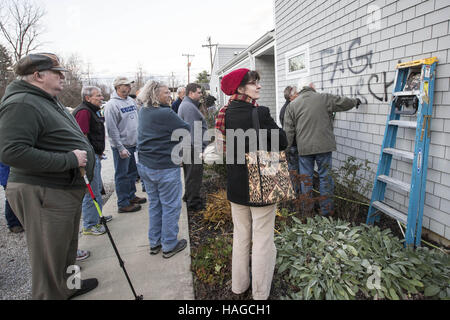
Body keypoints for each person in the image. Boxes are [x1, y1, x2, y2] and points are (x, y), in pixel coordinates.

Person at [0, 52, 98, 299]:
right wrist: (69, 160)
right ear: (38, 75)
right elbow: (11, 151)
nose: (63, 77)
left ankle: (69, 286)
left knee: (66, 249)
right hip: (43, 191)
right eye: (57, 73)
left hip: (62, 190)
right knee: (49, 258)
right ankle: (51, 294)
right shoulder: (21, 102)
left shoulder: (47, 98)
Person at [216, 68, 288, 300]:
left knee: (241, 236)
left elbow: (221, 151)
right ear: (240, 88)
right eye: (253, 83)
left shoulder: (223, 113)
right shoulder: (260, 113)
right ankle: (259, 294)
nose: (259, 86)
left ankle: (239, 286)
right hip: (261, 184)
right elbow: (283, 141)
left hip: (236, 185)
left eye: (258, 82)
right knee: (263, 240)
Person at [283, 77, 360, 216]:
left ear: (300, 89)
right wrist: (355, 102)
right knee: (325, 177)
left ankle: (307, 211)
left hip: (304, 149)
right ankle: (327, 211)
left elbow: (288, 131)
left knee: (306, 178)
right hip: (324, 147)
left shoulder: (292, 105)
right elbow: (343, 102)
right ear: (312, 86)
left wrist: (286, 149)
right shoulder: (324, 98)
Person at [136, 81, 190, 258]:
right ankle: (169, 244)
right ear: (155, 94)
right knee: (171, 206)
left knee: (155, 204)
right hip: (164, 166)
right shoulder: (165, 113)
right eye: (166, 93)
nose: (170, 95)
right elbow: (186, 129)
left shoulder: (144, 110)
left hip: (145, 166)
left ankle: (155, 242)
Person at [73, 86, 113, 236]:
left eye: (101, 95)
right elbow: (82, 136)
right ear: (88, 98)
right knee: (92, 191)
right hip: (90, 157)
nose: (101, 98)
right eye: (98, 96)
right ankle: (90, 224)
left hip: (96, 154)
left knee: (96, 188)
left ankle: (97, 217)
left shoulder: (92, 110)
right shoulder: (84, 112)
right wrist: (90, 155)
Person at [104, 76, 146, 213]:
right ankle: (123, 203)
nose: (129, 87)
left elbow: (137, 121)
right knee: (122, 175)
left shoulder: (130, 101)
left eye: (129, 85)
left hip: (134, 144)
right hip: (122, 146)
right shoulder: (112, 105)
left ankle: (131, 196)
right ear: (118, 87)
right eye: (126, 85)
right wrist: (120, 147)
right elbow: (111, 129)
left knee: (133, 173)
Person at [178, 83, 208, 212]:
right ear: (191, 93)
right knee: (194, 174)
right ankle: (193, 202)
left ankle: (188, 196)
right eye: (199, 92)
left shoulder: (187, 105)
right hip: (192, 147)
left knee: (190, 173)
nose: (201, 95)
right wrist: (199, 149)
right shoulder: (189, 107)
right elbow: (193, 130)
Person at [279, 86, 300, 190]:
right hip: (293, 146)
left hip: (291, 145)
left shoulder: (285, 108)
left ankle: (295, 194)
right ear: (291, 96)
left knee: (294, 171)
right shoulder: (290, 109)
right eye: (296, 93)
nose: (298, 95)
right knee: (295, 172)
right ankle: (295, 195)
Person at [0, 162, 23, 233]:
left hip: (14, 175)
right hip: (8, 176)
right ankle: (13, 224)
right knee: (10, 199)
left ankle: (20, 220)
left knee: (18, 197)